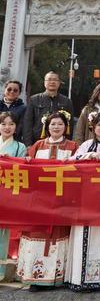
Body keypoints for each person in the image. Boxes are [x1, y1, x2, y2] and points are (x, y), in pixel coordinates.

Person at [16, 111, 77, 291]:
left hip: (62, 200)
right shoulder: (37, 146)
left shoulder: (73, 146)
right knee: (36, 235)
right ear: (46, 127)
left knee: (58, 237)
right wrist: (26, 161)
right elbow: (26, 169)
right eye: (52, 124)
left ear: (66, 127)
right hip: (38, 201)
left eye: (59, 124)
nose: (56, 127)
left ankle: (57, 277)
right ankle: (35, 277)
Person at [65, 112, 100, 291]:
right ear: (92, 128)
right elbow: (70, 161)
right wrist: (87, 156)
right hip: (87, 196)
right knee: (84, 234)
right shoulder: (87, 145)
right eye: (98, 125)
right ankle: (80, 278)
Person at [0, 112, 27, 281]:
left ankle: (1, 272)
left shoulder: (20, 147)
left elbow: (23, 169)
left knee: (4, 233)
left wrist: (10, 161)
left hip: (7, 193)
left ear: (16, 127)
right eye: (3, 124)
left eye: (11, 124)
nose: (7, 127)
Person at [22, 71, 74, 146]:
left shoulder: (67, 101)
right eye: (49, 79)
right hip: (37, 141)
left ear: (59, 83)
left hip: (60, 143)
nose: (52, 82)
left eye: (55, 80)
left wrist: (68, 144)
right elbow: (27, 123)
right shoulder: (34, 99)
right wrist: (28, 145)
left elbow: (70, 125)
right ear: (44, 82)